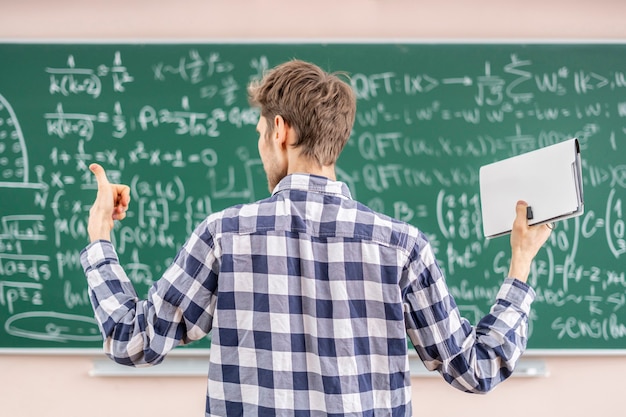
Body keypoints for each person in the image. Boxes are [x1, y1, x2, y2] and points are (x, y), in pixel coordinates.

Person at [81, 59, 552, 416]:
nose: (262, 143)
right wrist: (521, 263)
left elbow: (131, 340)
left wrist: (100, 234)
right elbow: (477, 368)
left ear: (281, 130)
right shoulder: (403, 248)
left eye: (262, 131)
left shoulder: (224, 236)